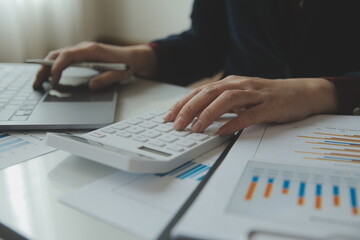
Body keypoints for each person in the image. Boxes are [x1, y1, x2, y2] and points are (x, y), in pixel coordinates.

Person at [33, 0, 360, 135]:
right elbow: (206, 43)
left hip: (340, 131)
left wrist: (315, 90)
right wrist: (135, 55)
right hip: (232, 126)